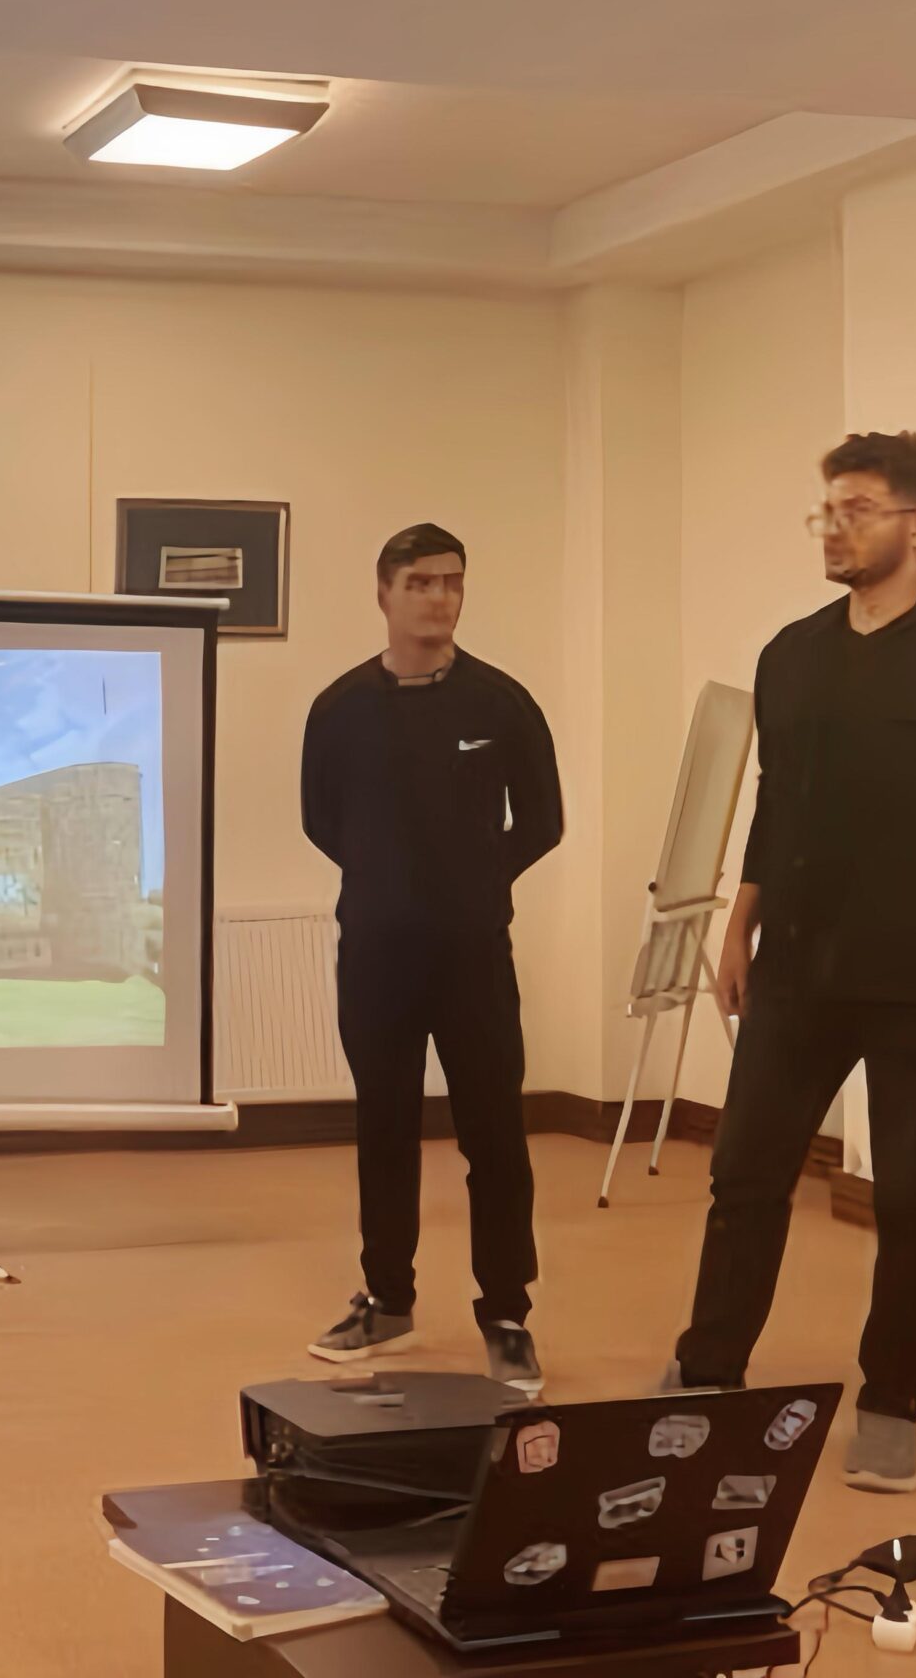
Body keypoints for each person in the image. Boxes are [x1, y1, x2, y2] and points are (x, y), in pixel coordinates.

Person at [666, 432, 916, 1494]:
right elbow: (777, 802)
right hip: (799, 969)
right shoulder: (791, 654)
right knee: (744, 1177)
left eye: (856, 510)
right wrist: (739, 922)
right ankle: (707, 1371)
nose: (832, 528)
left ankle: (891, 1401)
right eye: (827, 510)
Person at [300, 524, 562, 1391]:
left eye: (452, 581)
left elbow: (543, 821)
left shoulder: (502, 704)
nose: (439, 597)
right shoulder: (340, 709)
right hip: (377, 953)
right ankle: (388, 1300)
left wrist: (473, 880)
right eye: (420, 582)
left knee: (495, 1136)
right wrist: (391, 880)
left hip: (473, 954)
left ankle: (508, 1315)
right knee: (385, 1128)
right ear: (384, 593)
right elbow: (321, 820)